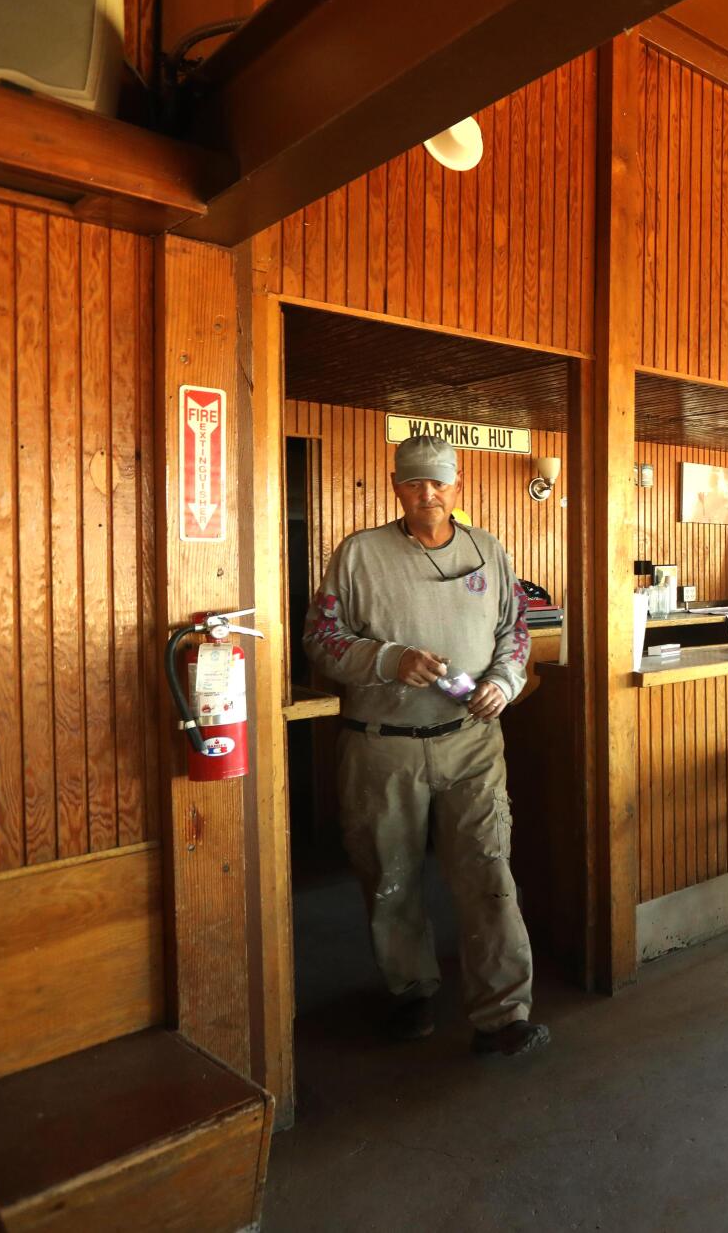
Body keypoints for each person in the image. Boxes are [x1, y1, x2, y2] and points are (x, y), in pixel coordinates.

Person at [303, 434, 549, 1057]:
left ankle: (504, 1013)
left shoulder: (487, 550)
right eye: (415, 482)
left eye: (439, 482)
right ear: (396, 486)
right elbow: (319, 638)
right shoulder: (358, 555)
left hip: (472, 742)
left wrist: (503, 681)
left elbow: (514, 631)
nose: (428, 493)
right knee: (391, 874)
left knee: (488, 866)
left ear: (456, 485)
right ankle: (410, 991)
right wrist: (387, 659)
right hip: (382, 746)